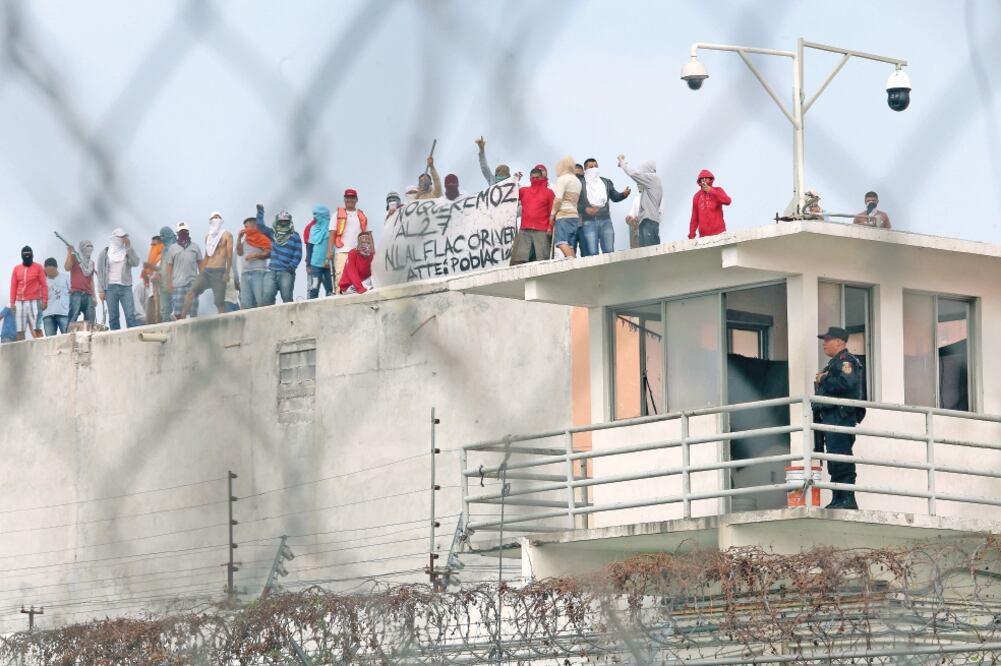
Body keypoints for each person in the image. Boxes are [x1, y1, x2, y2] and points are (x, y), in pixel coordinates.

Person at [813, 326, 865, 510]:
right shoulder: (833, 363)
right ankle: (838, 498)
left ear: (839, 342)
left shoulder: (846, 360)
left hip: (841, 415)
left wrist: (823, 379)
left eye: (828, 340)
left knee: (841, 456)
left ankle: (847, 499)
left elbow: (845, 383)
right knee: (834, 459)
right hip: (831, 416)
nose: (824, 344)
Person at [181, 212, 233, 318]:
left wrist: (227, 272)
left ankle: (223, 323)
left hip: (219, 272)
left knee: (219, 303)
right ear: (210, 221)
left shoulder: (227, 235)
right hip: (207, 271)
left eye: (218, 217)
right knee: (190, 292)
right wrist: (202, 272)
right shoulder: (208, 237)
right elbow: (207, 256)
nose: (216, 219)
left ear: (221, 220)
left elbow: (229, 255)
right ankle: (181, 319)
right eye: (214, 218)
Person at [578, 158, 631, 256]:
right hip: (588, 222)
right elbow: (577, 201)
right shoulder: (580, 183)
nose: (594, 168)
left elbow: (614, 197)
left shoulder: (606, 182)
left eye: (596, 166)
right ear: (585, 170)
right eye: (591, 167)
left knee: (609, 250)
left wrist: (623, 194)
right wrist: (585, 209)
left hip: (605, 220)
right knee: (592, 252)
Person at [510, 165, 555, 265]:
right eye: (532, 178)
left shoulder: (549, 192)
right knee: (520, 260)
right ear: (530, 178)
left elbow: (552, 211)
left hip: (542, 231)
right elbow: (510, 194)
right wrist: (515, 180)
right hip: (525, 230)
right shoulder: (524, 191)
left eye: (537, 177)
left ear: (542, 177)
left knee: (542, 260)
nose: (535, 180)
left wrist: (550, 227)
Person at [96, 229, 141, 330]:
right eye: (121, 237)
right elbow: (100, 272)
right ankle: (115, 336)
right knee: (113, 316)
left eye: (125, 237)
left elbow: (135, 263)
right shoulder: (105, 253)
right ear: (115, 238)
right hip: (110, 288)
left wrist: (129, 247)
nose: (123, 239)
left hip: (126, 287)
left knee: (130, 314)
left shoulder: (127, 251)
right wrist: (101, 290)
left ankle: (132, 335)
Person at [617, 155, 663, 247]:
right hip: (644, 221)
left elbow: (633, 174)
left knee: (650, 251)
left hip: (649, 221)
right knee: (644, 251)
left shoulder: (653, 178)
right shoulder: (648, 188)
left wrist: (622, 161)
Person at [260, 206, 302, 305]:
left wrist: (291, 268)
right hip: (272, 271)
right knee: (266, 299)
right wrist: (260, 211)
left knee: (287, 299)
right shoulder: (273, 234)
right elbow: (260, 227)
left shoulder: (295, 235)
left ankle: (291, 315)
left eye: (285, 221)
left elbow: (298, 254)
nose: (283, 223)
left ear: (289, 221)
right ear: (278, 221)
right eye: (281, 221)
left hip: (286, 272)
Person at [333, 189, 368, 290]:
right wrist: (329, 252)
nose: (350, 200)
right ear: (344, 199)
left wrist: (371, 250)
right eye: (348, 197)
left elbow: (368, 233)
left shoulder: (361, 215)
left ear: (356, 200)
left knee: (358, 278)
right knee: (340, 276)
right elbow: (332, 233)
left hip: (358, 252)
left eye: (352, 198)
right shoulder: (337, 214)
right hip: (342, 251)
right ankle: (339, 295)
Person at [10, 247, 46, 340]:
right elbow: (13, 286)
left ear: (32, 255)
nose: (27, 256)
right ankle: (20, 349)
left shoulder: (38, 267)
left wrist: (45, 300)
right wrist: (12, 303)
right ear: (22, 256)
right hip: (20, 302)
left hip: (35, 301)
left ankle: (41, 347)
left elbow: (44, 285)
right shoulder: (16, 269)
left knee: (37, 328)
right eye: (25, 254)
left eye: (29, 254)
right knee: (20, 330)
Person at [168, 222, 203, 319]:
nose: (183, 233)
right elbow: (169, 267)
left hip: (193, 283)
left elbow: (200, 264)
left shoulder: (195, 247)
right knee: (178, 314)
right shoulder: (172, 248)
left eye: (185, 231)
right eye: (181, 231)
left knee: (193, 313)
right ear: (177, 233)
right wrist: (169, 283)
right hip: (178, 285)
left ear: (188, 232)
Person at [236, 214, 271, 309]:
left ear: (254, 226)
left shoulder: (262, 238)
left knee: (260, 301)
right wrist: (239, 238)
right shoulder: (246, 240)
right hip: (245, 273)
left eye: (246, 227)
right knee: (245, 304)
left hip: (258, 272)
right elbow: (239, 252)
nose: (245, 229)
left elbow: (269, 253)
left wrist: (256, 255)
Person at [550, 156, 583, 258]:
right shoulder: (577, 181)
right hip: (574, 216)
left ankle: (574, 264)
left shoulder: (562, 179)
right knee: (570, 245)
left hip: (564, 215)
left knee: (561, 242)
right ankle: (575, 264)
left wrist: (552, 214)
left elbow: (558, 199)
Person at [689, 169, 731, 240]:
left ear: (710, 179)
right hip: (704, 237)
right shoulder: (697, 196)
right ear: (699, 181)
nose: (704, 180)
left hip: (720, 233)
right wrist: (691, 235)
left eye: (706, 178)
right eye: (702, 179)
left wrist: (711, 190)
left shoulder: (718, 190)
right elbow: (694, 218)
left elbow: (727, 201)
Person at [65, 240, 96, 325]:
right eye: (87, 246)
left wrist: (94, 297)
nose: (89, 248)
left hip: (88, 295)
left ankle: (89, 334)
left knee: (90, 321)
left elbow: (91, 280)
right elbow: (67, 268)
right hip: (76, 294)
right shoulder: (75, 257)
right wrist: (69, 253)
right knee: (72, 319)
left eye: (91, 246)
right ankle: (68, 333)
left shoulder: (91, 263)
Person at [306, 205, 334, 299]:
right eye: (314, 214)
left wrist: (328, 261)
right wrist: (308, 264)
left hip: (328, 265)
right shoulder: (313, 228)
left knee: (330, 290)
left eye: (316, 214)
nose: (314, 217)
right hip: (315, 265)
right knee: (314, 289)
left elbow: (333, 247)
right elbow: (310, 247)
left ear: (323, 215)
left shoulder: (331, 229)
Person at [155, 226, 180, 323]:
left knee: (178, 311)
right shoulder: (164, 251)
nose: (162, 238)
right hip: (163, 284)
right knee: (164, 311)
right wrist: (158, 274)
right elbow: (162, 266)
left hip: (175, 284)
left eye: (163, 236)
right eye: (161, 236)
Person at [42, 257, 70, 336]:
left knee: (67, 337)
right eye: (47, 271)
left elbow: (73, 292)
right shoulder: (42, 281)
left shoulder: (66, 277)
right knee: (49, 340)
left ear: (56, 268)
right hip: (47, 315)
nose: (49, 273)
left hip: (63, 313)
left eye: (51, 271)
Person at [140, 235, 163, 324]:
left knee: (159, 319)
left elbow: (164, 271)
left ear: (161, 245)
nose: (152, 247)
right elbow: (150, 278)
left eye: (155, 245)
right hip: (152, 294)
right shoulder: (153, 258)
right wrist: (145, 276)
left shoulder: (165, 257)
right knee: (149, 320)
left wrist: (150, 266)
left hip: (161, 294)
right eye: (151, 245)